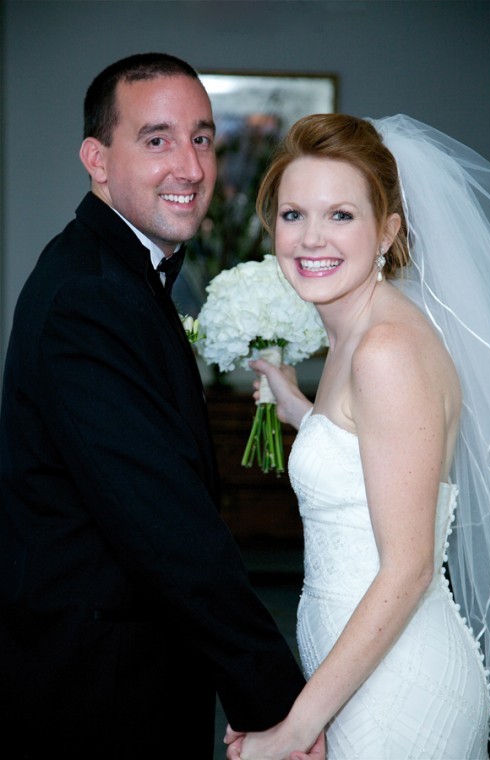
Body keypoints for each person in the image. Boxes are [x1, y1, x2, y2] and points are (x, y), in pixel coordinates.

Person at [0, 53, 325, 760]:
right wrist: (277, 705)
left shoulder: (116, 273)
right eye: (157, 139)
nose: (190, 166)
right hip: (98, 690)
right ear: (97, 159)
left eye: (201, 138)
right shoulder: (89, 296)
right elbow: (165, 524)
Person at [225, 113, 490, 759]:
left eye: (341, 215)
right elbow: (369, 454)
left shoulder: (385, 350)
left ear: (387, 231)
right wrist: (299, 410)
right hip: (356, 675)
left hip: (397, 691)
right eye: (293, 214)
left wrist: (295, 728)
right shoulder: (358, 331)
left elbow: (408, 569)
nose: (311, 237)